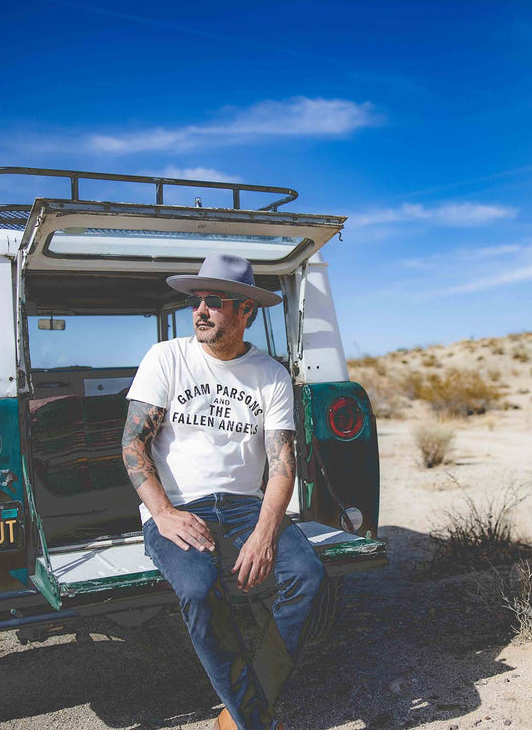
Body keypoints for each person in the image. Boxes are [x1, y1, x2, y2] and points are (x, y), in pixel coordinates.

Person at [121, 253, 325, 730]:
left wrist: (264, 533)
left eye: (215, 302)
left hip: (243, 506)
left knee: (308, 577)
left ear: (245, 311)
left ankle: (241, 710)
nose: (201, 312)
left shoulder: (270, 374)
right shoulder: (167, 358)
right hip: (177, 506)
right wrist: (164, 514)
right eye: (198, 301)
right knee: (197, 586)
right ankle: (252, 719)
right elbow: (132, 443)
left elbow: (281, 466)